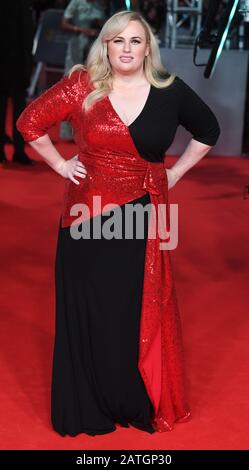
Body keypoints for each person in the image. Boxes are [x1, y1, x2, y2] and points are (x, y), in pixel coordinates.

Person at [16, 10, 220, 437]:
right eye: (117, 41)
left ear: (148, 47)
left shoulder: (170, 91)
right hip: (86, 219)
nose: (126, 49)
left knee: (133, 311)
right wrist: (59, 164)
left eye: (135, 41)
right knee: (90, 310)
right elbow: (29, 122)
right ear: (105, 46)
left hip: (144, 214)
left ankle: (129, 398)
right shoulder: (82, 86)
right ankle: (88, 402)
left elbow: (208, 129)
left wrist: (176, 173)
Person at [60, 0, 106, 140]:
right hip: (76, 46)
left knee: (91, 89)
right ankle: (67, 132)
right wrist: (81, 30)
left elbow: (104, 26)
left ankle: (87, 132)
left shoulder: (100, 4)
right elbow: (64, 24)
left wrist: (100, 25)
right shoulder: (76, 3)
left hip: (93, 49)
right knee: (71, 88)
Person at [0, 1, 34, 165]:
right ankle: (19, 151)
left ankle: (13, 151)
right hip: (18, 64)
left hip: (12, 63)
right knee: (19, 110)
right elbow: (27, 37)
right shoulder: (23, 6)